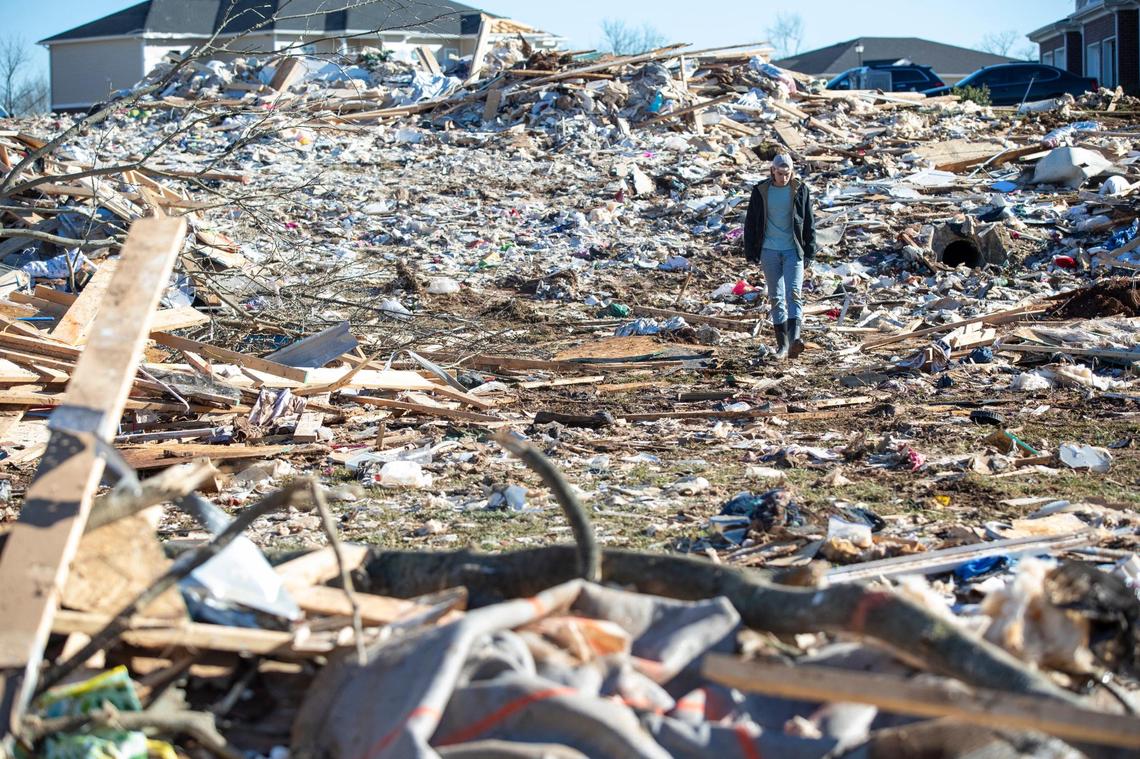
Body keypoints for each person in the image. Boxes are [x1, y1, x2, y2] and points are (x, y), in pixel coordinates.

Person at [742, 153, 817, 360]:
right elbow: (751, 222)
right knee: (776, 297)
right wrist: (751, 251)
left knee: (793, 292)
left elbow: (809, 221)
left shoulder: (800, 190)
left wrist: (810, 250)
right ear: (772, 171)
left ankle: (795, 341)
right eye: (780, 173)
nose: (783, 177)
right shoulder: (761, 191)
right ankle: (782, 346)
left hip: (793, 249)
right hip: (769, 250)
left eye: (787, 173)